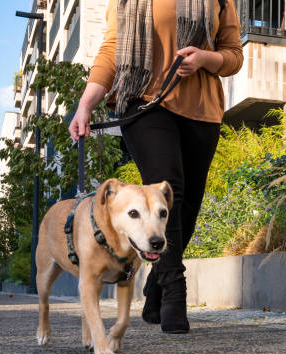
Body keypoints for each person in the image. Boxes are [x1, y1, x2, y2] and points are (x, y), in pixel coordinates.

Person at [68, 0, 243, 333]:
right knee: (168, 189)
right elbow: (112, 49)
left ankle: (155, 289)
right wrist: (86, 103)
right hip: (144, 102)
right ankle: (175, 295)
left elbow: (233, 55)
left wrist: (206, 59)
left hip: (202, 110)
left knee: (186, 207)